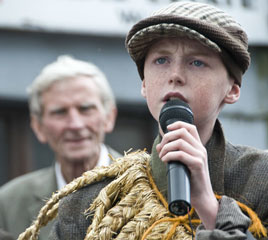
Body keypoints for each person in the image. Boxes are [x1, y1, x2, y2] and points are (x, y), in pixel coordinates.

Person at [18, 1, 268, 240]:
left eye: (197, 62)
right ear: (145, 85)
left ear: (233, 89)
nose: (175, 75)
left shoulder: (259, 178)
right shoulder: (89, 200)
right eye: (161, 60)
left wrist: (207, 205)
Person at [0, 55, 121, 240]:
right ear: (38, 126)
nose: (75, 124)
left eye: (86, 108)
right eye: (59, 112)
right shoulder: (9, 203)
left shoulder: (148, 186)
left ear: (109, 117)